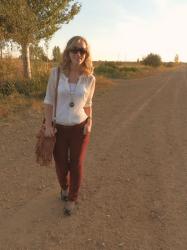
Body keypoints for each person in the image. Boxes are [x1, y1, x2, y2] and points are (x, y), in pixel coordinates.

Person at [43, 36, 95, 216]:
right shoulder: (56, 73)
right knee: (61, 164)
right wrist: (48, 125)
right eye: (75, 49)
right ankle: (64, 187)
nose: (78, 54)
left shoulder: (90, 78)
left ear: (86, 54)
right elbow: (48, 101)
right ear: (68, 51)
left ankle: (72, 197)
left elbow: (88, 104)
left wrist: (89, 122)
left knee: (77, 164)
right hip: (58, 127)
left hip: (79, 128)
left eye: (82, 51)